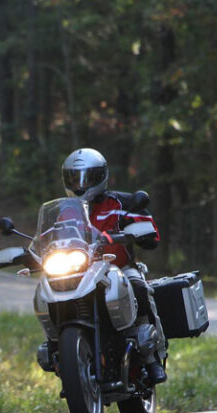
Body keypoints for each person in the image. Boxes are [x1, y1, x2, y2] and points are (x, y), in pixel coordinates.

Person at [61, 148, 167, 384]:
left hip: (118, 268)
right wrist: (32, 251)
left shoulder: (123, 203)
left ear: (100, 177)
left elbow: (151, 233)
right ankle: (61, 351)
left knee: (138, 287)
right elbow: (50, 236)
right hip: (80, 272)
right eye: (74, 177)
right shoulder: (66, 211)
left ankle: (152, 358)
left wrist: (139, 234)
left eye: (87, 178)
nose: (80, 185)